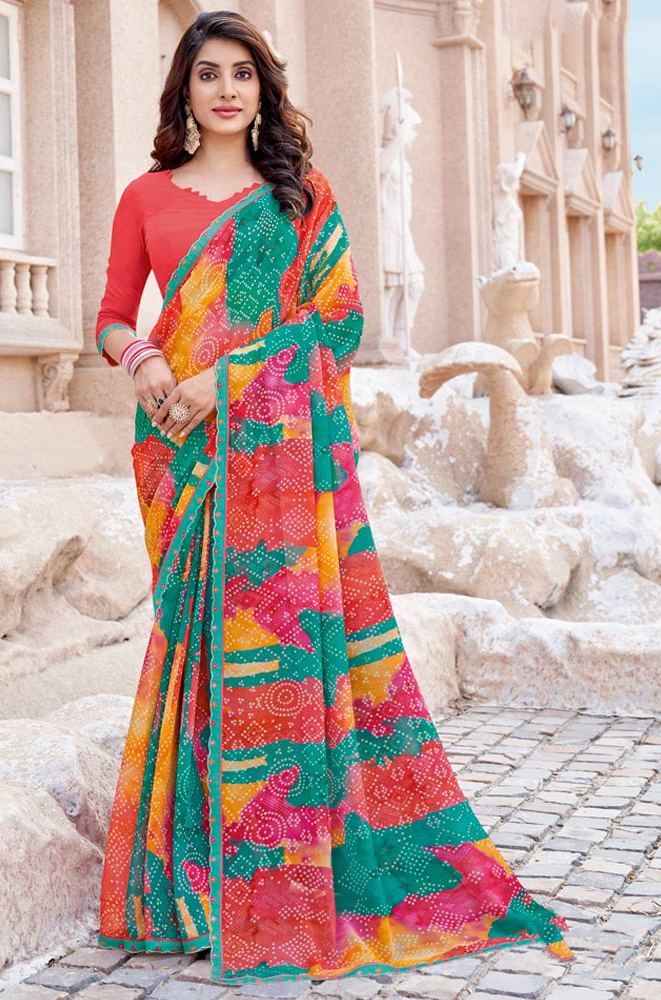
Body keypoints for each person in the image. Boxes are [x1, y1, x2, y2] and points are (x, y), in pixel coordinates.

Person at [94, 9, 575, 988]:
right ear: (183, 90)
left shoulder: (300, 195)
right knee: (193, 649)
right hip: (184, 457)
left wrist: (226, 381)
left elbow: (340, 321)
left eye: (242, 74)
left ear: (263, 89)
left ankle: (283, 889)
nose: (225, 90)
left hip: (275, 465)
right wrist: (143, 360)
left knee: (273, 657)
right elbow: (108, 316)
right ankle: (192, 890)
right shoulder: (146, 196)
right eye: (207, 74)